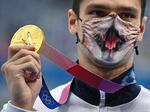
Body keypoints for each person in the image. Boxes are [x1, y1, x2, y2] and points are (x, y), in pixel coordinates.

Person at [1, 0, 150, 112]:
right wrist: (20, 107)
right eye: (98, 12)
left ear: (141, 29)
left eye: (127, 15)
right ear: (73, 22)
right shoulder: (34, 108)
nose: (113, 25)